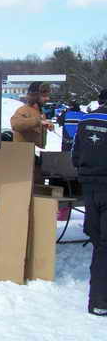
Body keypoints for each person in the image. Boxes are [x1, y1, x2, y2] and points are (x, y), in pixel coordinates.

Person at [71, 88, 107, 316]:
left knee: (99, 244)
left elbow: (75, 155)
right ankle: (100, 302)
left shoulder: (85, 120)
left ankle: (97, 300)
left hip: (89, 188)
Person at [10, 81, 55, 148]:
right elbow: (15, 124)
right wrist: (38, 122)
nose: (47, 99)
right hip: (23, 154)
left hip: (36, 154)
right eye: (44, 96)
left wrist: (47, 125)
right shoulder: (23, 110)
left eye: (47, 96)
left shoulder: (40, 112)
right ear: (34, 96)